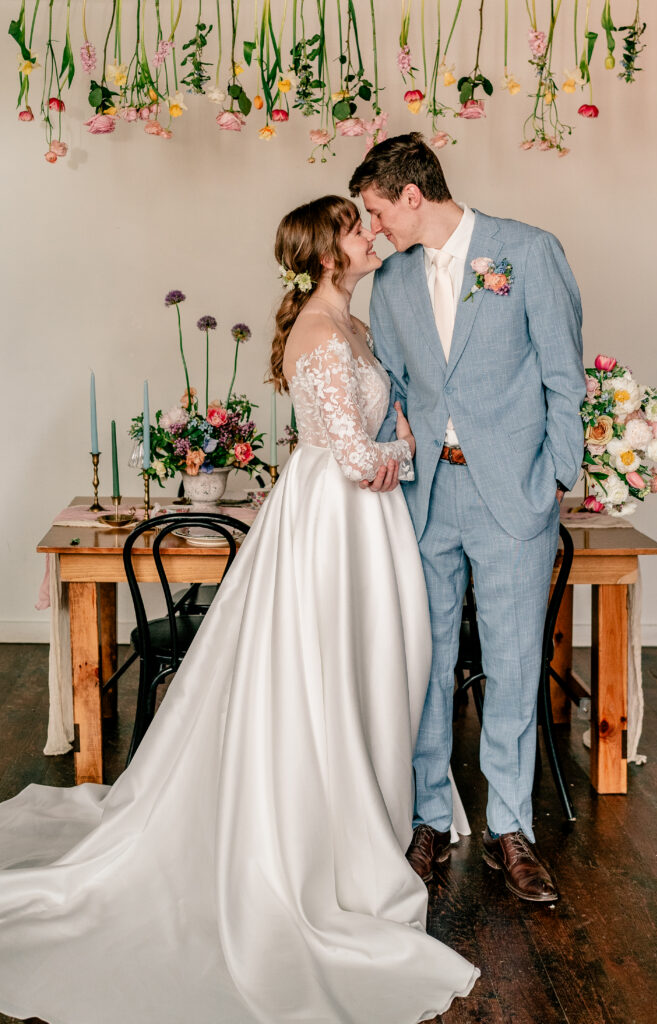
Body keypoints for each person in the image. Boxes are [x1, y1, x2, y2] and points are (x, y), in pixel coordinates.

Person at [0, 195, 478, 1024]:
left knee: (365, 671)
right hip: (336, 527)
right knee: (325, 671)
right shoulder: (324, 336)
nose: (372, 233)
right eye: (357, 227)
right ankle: (320, 837)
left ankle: (355, 813)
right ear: (329, 252)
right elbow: (361, 458)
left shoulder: (350, 327)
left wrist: (397, 434)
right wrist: (414, 444)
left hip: (355, 526)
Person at [349, 134, 585, 902]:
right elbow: (389, 384)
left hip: (512, 492)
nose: (374, 225)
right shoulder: (390, 282)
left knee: (515, 664)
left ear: (410, 194)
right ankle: (428, 820)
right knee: (424, 662)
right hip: (424, 499)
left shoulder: (526, 250)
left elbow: (562, 375)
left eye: (378, 209)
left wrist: (555, 477)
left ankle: (509, 830)